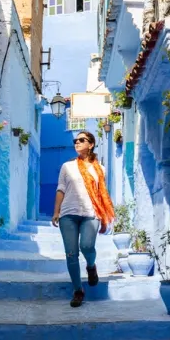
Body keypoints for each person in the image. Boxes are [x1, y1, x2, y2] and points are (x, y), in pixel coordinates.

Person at [51, 131, 115, 307]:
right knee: (71, 254)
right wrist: (56, 211)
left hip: (91, 213)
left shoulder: (100, 169)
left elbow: (101, 194)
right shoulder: (67, 166)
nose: (77, 143)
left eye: (81, 140)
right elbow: (61, 189)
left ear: (91, 144)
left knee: (87, 246)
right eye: (75, 140)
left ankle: (91, 266)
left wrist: (103, 217)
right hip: (68, 214)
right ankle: (78, 290)